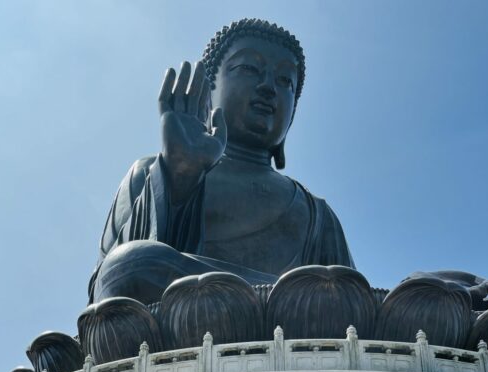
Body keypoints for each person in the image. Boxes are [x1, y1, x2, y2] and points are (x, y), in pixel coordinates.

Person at [89, 18, 354, 306]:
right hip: (187, 320)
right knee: (131, 265)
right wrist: (180, 174)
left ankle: (275, 301)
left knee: (364, 297)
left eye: (285, 81)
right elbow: (105, 287)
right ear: (208, 91)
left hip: (296, 323)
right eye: (249, 68)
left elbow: (352, 301)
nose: (268, 87)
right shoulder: (152, 170)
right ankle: (274, 301)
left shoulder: (317, 213)